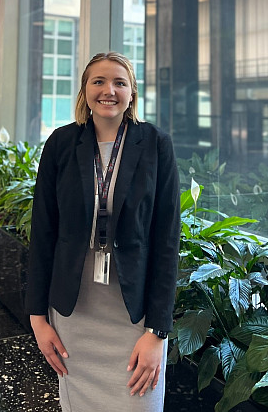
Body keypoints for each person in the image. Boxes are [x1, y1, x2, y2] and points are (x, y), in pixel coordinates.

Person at [25, 52, 180, 411]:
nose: (108, 90)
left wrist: (157, 333)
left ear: (132, 93)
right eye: (98, 81)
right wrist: (38, 320)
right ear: (85, 90)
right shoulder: (62, 144)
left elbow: (167, 242)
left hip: (134, 315)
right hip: (74, 314)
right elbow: (44, 234)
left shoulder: (156, 145)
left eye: (119, 82)